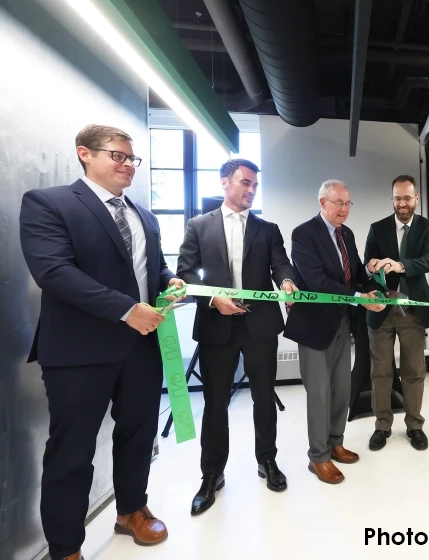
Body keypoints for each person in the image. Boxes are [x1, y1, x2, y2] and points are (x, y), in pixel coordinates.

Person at [19, 125, 183, 560]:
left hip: (141, 349)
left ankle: (131, 510)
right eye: (118, 156)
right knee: (71, 451)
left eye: (133, 159)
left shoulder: (144, 216)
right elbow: (54, 272)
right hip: (78, 351)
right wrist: (127, 309)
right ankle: (66, 547)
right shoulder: (49, 203)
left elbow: (155, 271)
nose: (128, 165)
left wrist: (171, 281)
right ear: (85, 154)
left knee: (137, 434)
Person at [177, 159, 298, 515]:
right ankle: (212, 473)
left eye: (255, 186)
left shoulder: (267, 228)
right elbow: (185, 273)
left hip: (259, 325)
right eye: (245, 183)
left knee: (264, 398)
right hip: (217, 325)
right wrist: (214, 299)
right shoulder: (198, 226)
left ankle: (268, 461)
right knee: (215, 402)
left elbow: (282, 264)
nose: (250, 190)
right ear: (224, 183)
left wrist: (288, 282)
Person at [284, 180, 385, 483]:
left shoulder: (347, 234)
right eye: (338, 202)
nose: (344, 209)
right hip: (314, 325)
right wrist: (357, 298)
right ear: (322, 202)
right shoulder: (304, 233)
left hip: (342, 323)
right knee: (319, 394)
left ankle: (335, 442)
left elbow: (352, 272)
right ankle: (317, 457)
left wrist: (369, 270)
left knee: (341, 388)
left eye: (347, 203)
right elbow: (315, 281)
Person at [364, 175, 429, 451]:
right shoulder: (377, 228)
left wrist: (400, 265)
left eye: (407, 197)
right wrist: (371, 266)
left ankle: (414, 425)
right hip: (381, 309)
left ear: (416, 198)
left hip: (413, 311)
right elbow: (366, 264)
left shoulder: (428, 227)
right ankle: (382, 425)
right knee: (381, 372)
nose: (402, 203)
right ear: (392, 199)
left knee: (414, 371)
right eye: (397, 198)